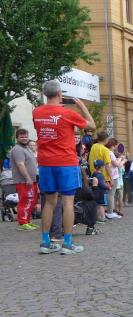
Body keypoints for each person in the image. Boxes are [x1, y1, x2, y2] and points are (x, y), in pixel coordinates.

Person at [32, 80, 96, 254]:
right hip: (66, 162)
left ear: (45, 94)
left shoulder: (36, 112)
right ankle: (67, 244)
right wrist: (82, 107)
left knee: (49, 202)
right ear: (60, 94)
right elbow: (92, 126)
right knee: (68, 202)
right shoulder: (67, 113)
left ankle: (46, 242)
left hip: (45, 163)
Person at [10, 129, 39, 231]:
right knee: (25, 201)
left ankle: (27, 221)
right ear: (17, 138)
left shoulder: (26, 148)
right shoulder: (17, 149)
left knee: (32, 200)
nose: (24, 138)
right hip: (24, 181)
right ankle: (23, 223)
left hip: (31, 180)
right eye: (21, 137)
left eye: (26, 136)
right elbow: (20, 164)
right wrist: (27, 178)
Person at [88, 131, 113, 221]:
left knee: (96, 198)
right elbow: (107, 165)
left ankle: (98, 216)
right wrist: (111, 178)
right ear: (106, 139)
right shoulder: (105, 150)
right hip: (103, 177)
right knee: (104, 198)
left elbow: (89, 160)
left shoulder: (93, 146)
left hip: (93, 175)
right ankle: (104, 215)